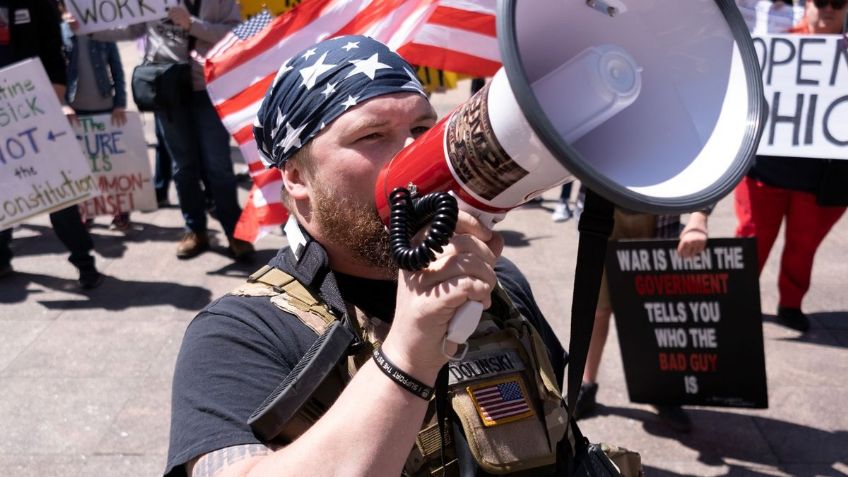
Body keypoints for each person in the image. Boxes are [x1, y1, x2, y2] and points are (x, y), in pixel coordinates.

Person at [164, 36, 572, 477]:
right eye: (372, 135)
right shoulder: (241, 332)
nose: (409, 152)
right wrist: (408, 356)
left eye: (421, 129)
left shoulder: (497, 280)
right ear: (297, 176)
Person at [74, 0, 254, 260]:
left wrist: (192, 25)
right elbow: (131, 29)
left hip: (210, 90)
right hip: (167, 90)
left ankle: (236, 233)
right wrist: (90, 29)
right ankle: (195, 231)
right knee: (183, 166)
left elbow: (238, 33)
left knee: (219, 167)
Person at [734, 0, 848, 332]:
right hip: (765, 172)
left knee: (803, 246)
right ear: (808, 6)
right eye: (821, 2)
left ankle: (791, 304)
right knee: (750, 242)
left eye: (838, 3)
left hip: (818, 180)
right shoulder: (780, 46)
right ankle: (739, 302)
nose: (829, 9)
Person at [574, 207, 711, 432]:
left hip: (659, 213)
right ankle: (586, 386)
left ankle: (658, 390)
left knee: (652, 310)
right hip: (601, 207)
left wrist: (699, 217)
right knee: (596, 309)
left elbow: (708, 171)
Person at [0, 0, 104, 289]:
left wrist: (58, 104)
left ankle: (84, 263)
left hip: (37, 108)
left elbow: (54, 53)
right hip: (4, 114)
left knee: (56, 192)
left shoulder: (39, 5)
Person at [60, 3, 131, 231]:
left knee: (111, 166)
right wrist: (62, 105)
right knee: (83, 166)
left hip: (105, 106)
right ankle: (88, 210)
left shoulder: (103, 31)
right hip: (75, 110)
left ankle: (120, 211)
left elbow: (117, 69)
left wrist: (120, 103)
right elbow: (56, 71)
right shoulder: (60, 31)